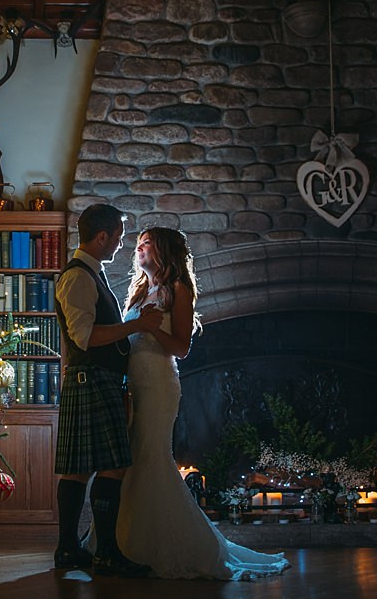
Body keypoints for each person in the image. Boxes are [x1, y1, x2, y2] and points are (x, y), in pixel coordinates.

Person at [111, 226, 290, 580]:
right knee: (131, 461)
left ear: (164, 250)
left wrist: (150, 329)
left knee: (152, 457)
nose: (140, 248)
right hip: (133, 384)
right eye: (139, 243)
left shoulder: (179, 289)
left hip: (159, 384)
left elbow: (180, 347)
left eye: (148, 243)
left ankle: (172, 545)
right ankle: (125, 542)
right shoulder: (140, 291)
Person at [53, 204, 162, 577]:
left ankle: (71, 549)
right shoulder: (79, 278)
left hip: (93, 381)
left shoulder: (89, 274)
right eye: (116, 236)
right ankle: (104, 553)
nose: (119, 243)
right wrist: (136, 327)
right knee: (110, 467)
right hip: (92, 380)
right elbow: (84, 338)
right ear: (101, 236)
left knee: (79, 472)